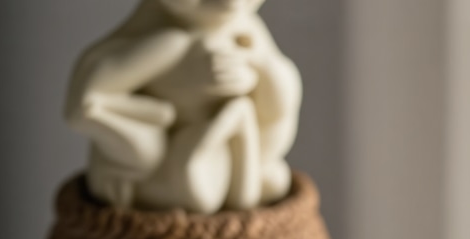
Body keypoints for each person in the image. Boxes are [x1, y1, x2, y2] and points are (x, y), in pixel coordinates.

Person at [65, 0, 301, 213]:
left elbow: (283, 103)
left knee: (274, 177)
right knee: (190, 192)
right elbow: (84, 101)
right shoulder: (166, 39)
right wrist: (178, 82)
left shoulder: (247, 30)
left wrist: (259, 66)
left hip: (226, 165)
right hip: (164, 179)